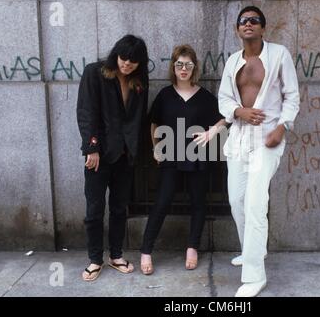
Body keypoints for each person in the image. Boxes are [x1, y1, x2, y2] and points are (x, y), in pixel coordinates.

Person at [218, 6, 300, 297]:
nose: (248, 24)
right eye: (243, 21)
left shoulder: (279, 55)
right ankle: (252, 251)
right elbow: (224, 100)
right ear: (237, 30)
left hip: (267, 141)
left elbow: (292, 96)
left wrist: (282, 128)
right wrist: (239, 110)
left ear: (263, 28)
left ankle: (254, 276)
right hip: (239, 140)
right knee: (236, 200)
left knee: (254, 203)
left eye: (254, 20)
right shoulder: (232, 62)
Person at [140, 44, 226, 275]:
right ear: (174, 67)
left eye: (188, 64)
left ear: (194, 67)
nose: (184, 69)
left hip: (198, 155)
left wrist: (210, 133)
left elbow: (225, 117)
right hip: (171, 155)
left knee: (198, 202)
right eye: (179, 64)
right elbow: (154, 123)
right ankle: (146, 250)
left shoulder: (205, 96)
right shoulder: (165, 95)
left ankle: (192, 247)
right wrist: (157, 149)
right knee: (162, 202)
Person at [77, 35, 149, 281]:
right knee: (95, 209)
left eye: (133, 61)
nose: (127, 64)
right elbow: (86, 112)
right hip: (99, 154)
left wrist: (136, 149)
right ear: (115, 54)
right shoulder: (95, 73)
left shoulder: (139, 80)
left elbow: (138, 116)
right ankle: (95, 259)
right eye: (123, 58)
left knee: (119, 208)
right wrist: (91, 147)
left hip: (125, 155)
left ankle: (116, 255)